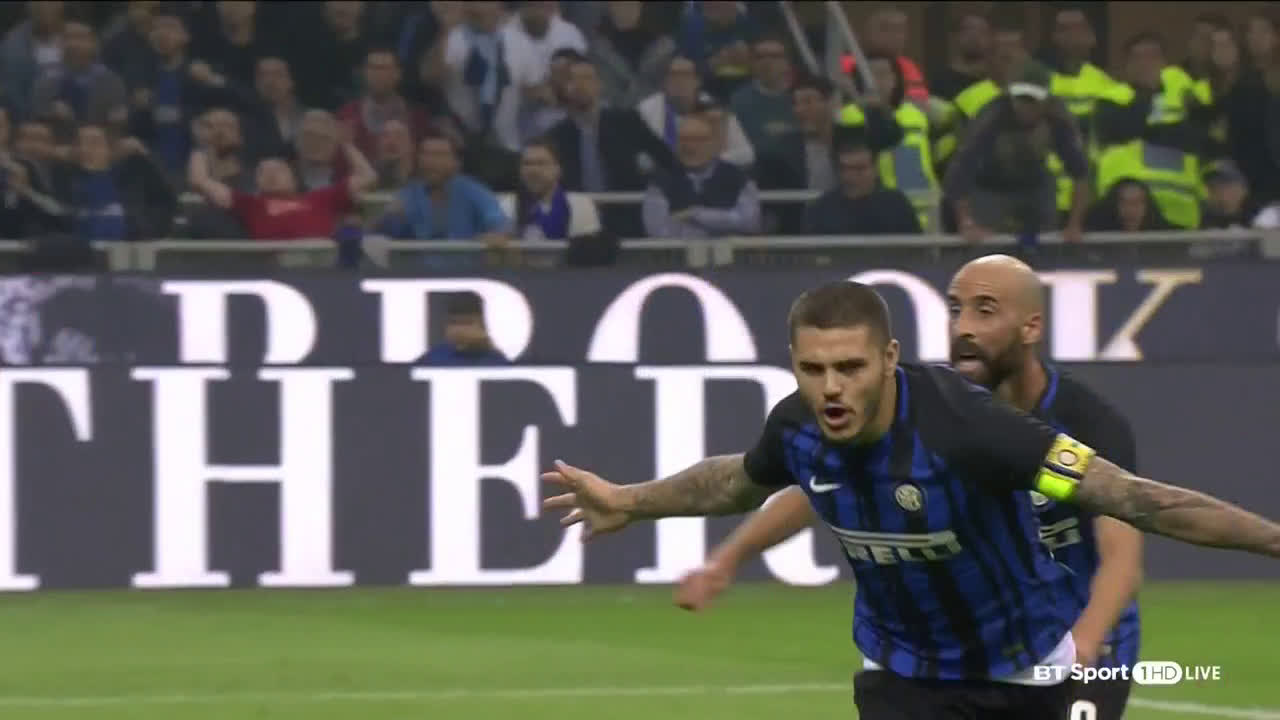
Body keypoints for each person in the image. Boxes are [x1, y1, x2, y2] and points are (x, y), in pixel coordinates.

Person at [543, 280, 1280, 719]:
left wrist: (1274, 540)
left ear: (889, 358)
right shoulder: (797, 427)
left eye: (850, 367)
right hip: (903, 677)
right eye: (813, 369)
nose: (832, 388)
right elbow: (735, 481)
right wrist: (629, 500)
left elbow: (1134, 499)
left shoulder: (975, 432)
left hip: (1026, 675)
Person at [675, 256, 1142, 720]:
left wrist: (1084, 642)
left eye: (984, 311)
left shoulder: (1088, 425)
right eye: (955, 310)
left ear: (1031, 327)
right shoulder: (938, 411)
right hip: (975, 648)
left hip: (1083, 634)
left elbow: (1121, 558)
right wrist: (726, 560)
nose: (963, 327)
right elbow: (821, 485)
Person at [416, 291, 509, 366]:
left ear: (482, 326)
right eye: (454, 322)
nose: (459, 329)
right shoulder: (433, 358)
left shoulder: (496, 362)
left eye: (467, 323)